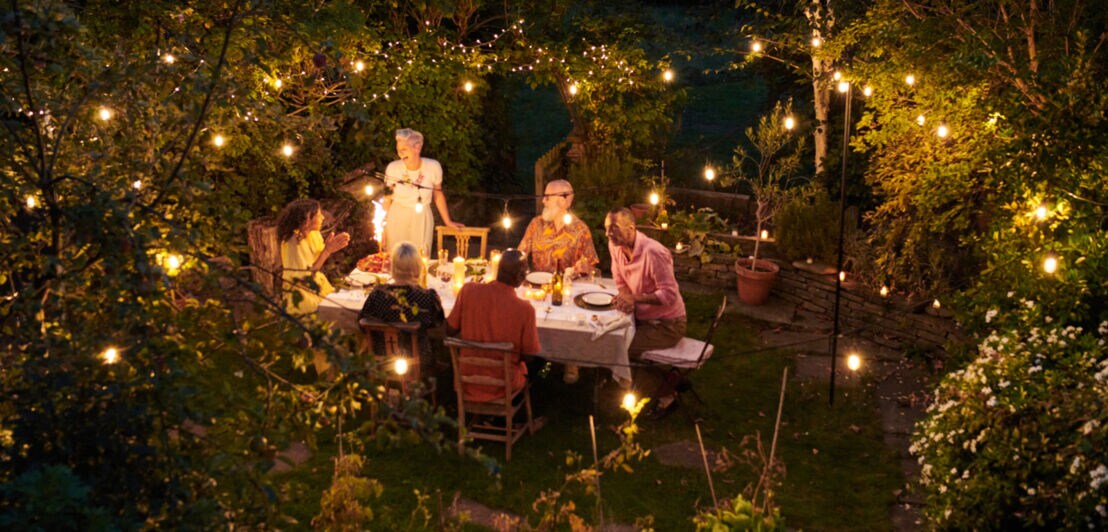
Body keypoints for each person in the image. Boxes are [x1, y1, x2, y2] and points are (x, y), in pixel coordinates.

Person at [604, 207, 687, 418]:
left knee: (620, 347)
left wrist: (635, 298)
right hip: (641, 316)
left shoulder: (654, 252)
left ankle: (668, 390)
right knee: (607, 335)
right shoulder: (616, 246)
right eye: (606, 229)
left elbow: (669, 295)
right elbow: (620, 280)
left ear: (631, 228)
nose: (608, 234)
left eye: (613, 229)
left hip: (668, 324)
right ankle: (653, 378)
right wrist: (625, 298)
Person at [446, 249, 541, 404]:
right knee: (540, 362)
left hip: (468, 381)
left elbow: (449, 330)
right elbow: (529, 356)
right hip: (503, 386)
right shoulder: (525, 310)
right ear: (520, 277)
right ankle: (508, 418)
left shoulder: (468, 290)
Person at [359, 242, 445, 376]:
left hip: (383, 361)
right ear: (418, 267)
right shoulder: (426, 298)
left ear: (392, 267)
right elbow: (438, 324)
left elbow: (362, 323)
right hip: (419, 361)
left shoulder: (378, 295)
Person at [380, 128, 463, 252]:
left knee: (420, 257)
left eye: (404, 150)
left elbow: (438, 194)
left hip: (421, 217)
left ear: (417, 148)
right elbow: (387, 198)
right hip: (397, 216)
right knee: (395, 257)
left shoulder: (433, 167)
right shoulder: (393, 168)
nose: (400, 154)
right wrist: (383, 227)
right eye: (398, 150)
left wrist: (448, 221)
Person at [277, 198, 350, 315]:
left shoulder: (313, 234)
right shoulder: (293, 242)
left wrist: (329, 247)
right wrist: (327, 251)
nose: (323, 218)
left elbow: (317, 259)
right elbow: (307, 276)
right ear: (307, 219)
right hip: (302, 292)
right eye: (319, 215)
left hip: (316, 284)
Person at [518, 179, 599, 275]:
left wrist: (583, 268)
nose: (543, 201)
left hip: (567, 287)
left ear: (562, 201)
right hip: (538, 286)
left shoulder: (581, 230)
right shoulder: (536, 224)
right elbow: (519, 255)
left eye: (547, 197)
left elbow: (591, 267)